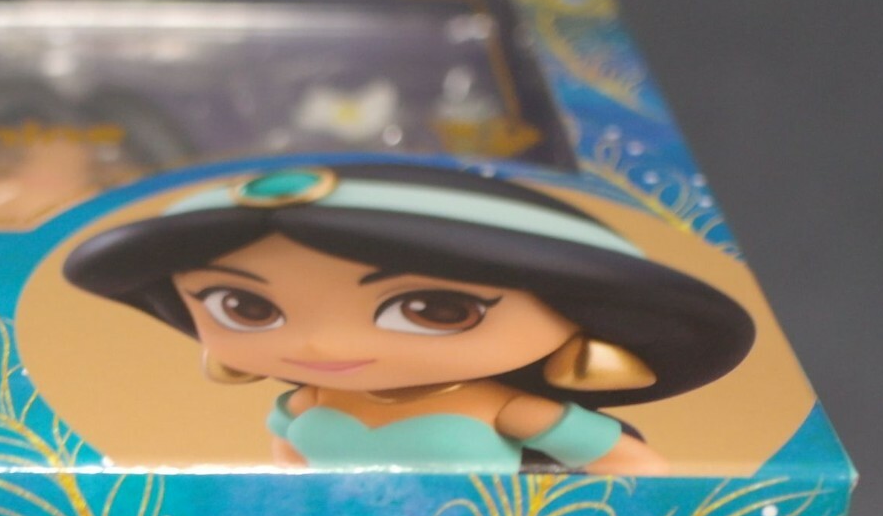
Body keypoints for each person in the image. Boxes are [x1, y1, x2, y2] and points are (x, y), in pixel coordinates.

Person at [64, 161, 754, 471]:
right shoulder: (309, 401)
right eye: (245, 305)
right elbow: (290, 453)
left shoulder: (505, 408)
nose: (323, 342)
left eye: (433, 308)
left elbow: (629, 462)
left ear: (580, 310)